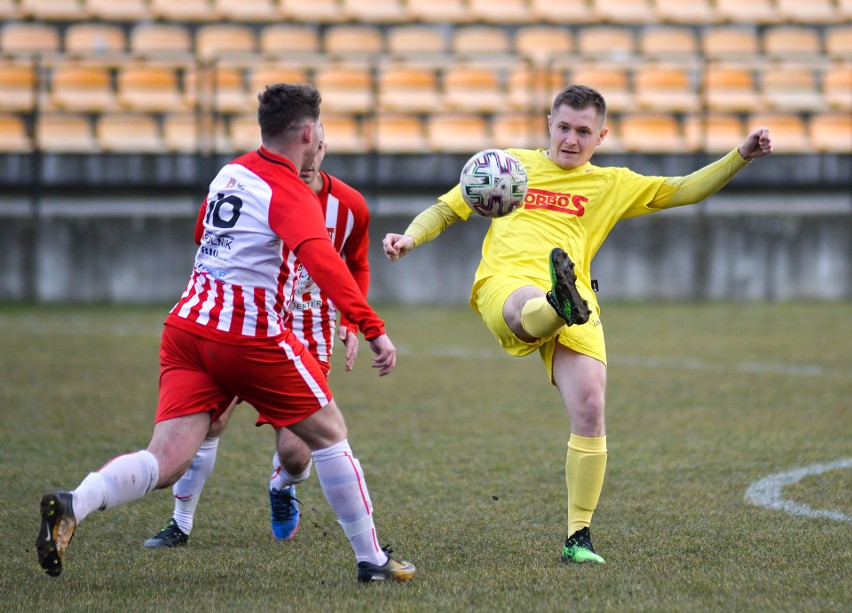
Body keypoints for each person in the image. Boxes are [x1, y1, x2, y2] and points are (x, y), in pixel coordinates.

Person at [36, 83, 415, 584]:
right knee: (330, 435)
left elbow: (202, 236)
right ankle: (373, 561)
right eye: (319, 127)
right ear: (308, 132)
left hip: (187, 327)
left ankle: (74, 504)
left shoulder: (229, 173)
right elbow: (323, 260)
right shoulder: (290, 190)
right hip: (248, 335)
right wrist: (371, 327)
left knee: (165, 460)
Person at [382, 84, 773, 565]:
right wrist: (410, 238)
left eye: (583, 131)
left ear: (601, 135)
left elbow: (684, 190)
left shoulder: (612, 185)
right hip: (505, 282)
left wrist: (742, 155)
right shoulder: (508, 166)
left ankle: (578, 538)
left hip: (579, 300)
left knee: (590, 407)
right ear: (549, 121)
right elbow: (448, 207)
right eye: (563, 126)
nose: (570, 139)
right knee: (525, 307)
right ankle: (553, 303)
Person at [144, 122, 373, 548]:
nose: (308, 161)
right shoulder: (255, 185)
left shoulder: (349, 205)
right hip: (244, 319)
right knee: (211, 422)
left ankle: (282, 487)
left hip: (307, 326)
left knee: (297, 453)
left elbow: (356, 263)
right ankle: (180, 522)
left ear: (322, 148)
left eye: (318, 150)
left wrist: (353, 321)